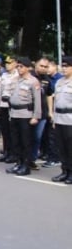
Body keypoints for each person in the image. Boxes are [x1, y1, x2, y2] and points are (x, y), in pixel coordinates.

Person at [5, 56, 41, 176]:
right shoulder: (15, 80)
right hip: (14, 113)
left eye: (22, 66)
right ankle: (18, 162)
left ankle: (26, 165)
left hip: (26, 114)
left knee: (25, 141)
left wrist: (36, 116)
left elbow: (37, 100)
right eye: (18, 66)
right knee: (16, 140)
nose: (19, 69)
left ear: (28, 68)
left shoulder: (33, 81)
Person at [51, 56, 72, 184]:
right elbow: (55, 102)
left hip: (70, 119)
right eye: (62, 66)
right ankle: (64, 171)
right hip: (59, 118)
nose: (64, 69)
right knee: (61, 147)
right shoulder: (59, 82)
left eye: (67, 66)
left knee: (70, 147)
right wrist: (54, 118)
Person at [0, 56, 19, 163]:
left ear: (15, 63)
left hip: (12, 106)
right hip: (3, 105)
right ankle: (6, 152)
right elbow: (0, 92)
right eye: (7, 63)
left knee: (12, 131)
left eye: (10, 63)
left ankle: (14, 154)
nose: (8, 65)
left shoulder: (18, 75)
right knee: (5, 131)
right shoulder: (4, 75)